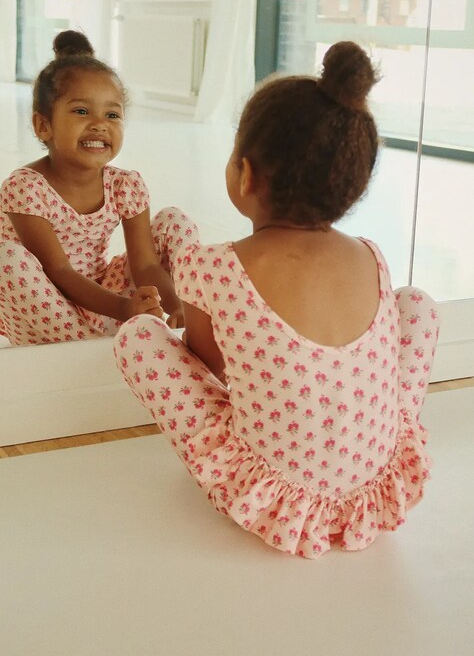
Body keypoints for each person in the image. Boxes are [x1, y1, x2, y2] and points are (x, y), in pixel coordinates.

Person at [114, 41, 440, 559]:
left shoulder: (209, 266)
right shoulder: (371, 255)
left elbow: (208, 367)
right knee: (416, 304)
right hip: (374, 482)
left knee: (138, 340)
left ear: (244, 174)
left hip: (280, 495)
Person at [0, 30, 198, 345]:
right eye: (81, 111)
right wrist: (124, 308)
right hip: (43, 311)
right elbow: (58, 271)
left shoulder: (124, 185)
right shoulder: (25, 188)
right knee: (7, 258)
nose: (99, 124)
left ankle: (183, 322)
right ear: (43, 126)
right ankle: (93, 349)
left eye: (112, 114)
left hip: (101, 299)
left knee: (174, 221)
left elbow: (145, 264)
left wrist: (174, 304)